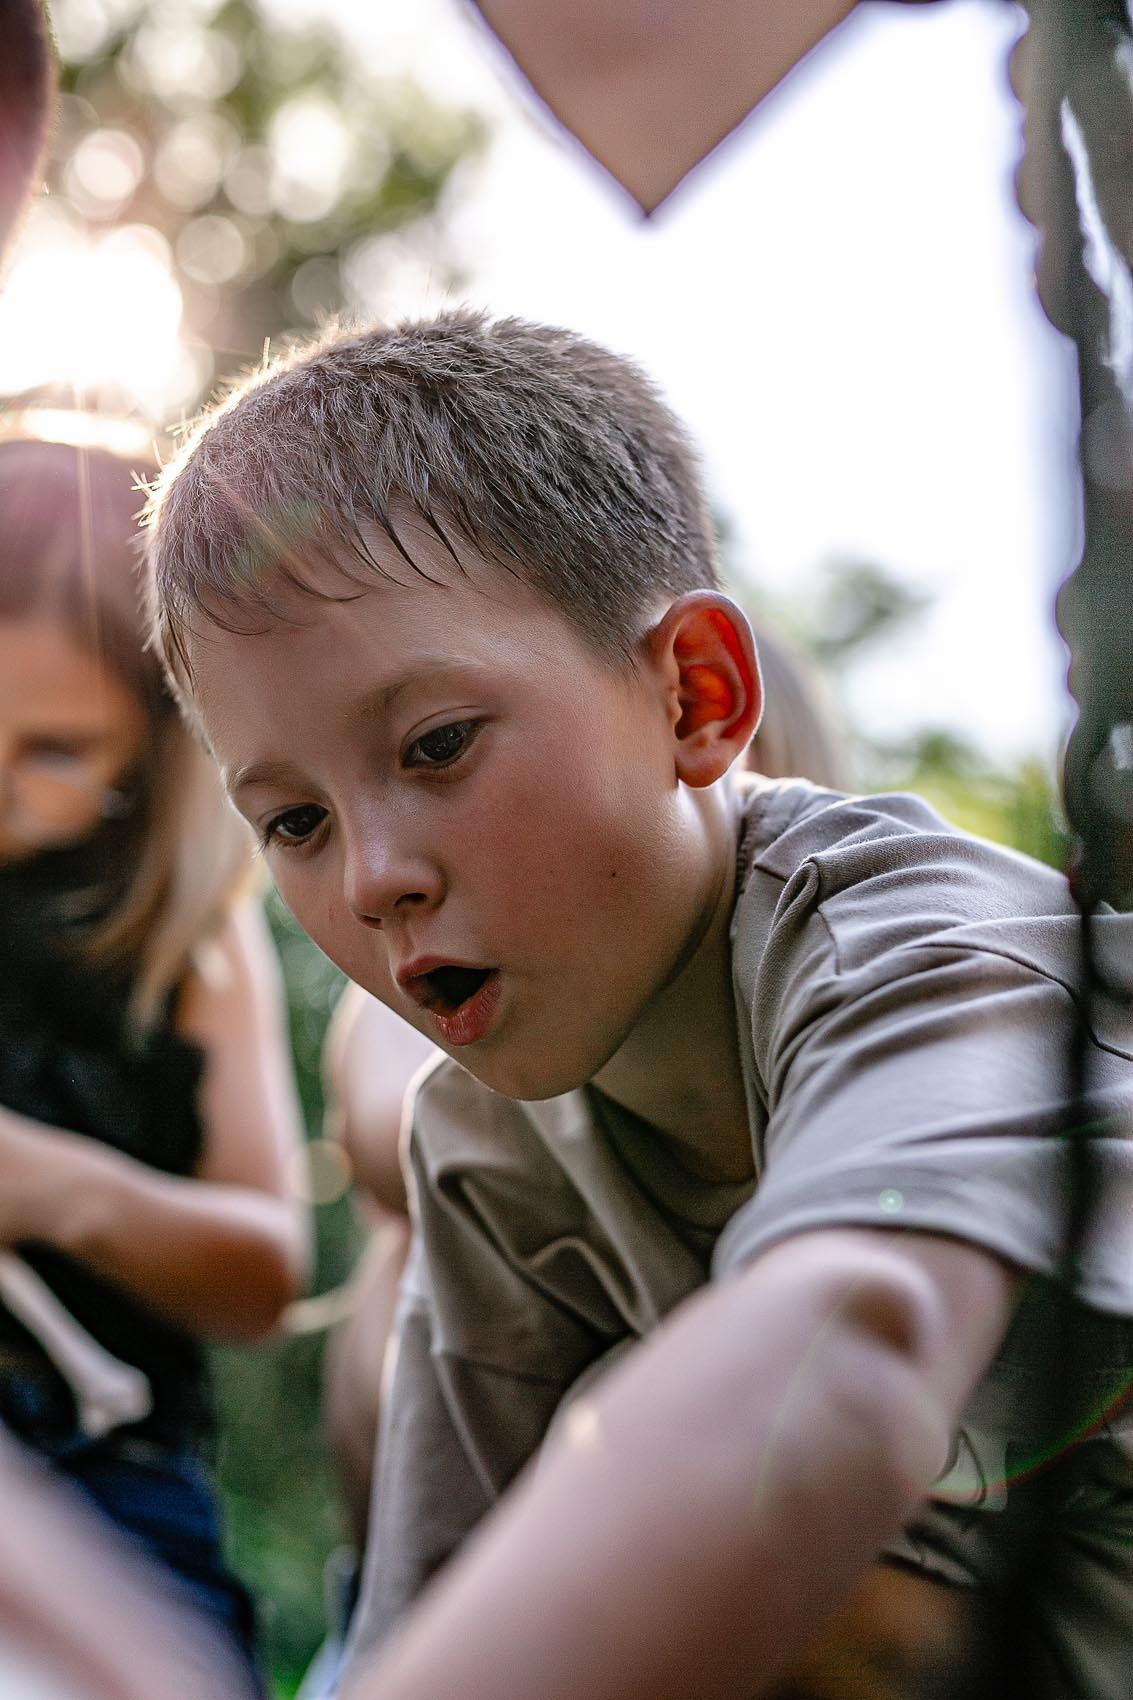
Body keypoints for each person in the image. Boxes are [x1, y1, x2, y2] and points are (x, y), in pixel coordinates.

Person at [144, 311, 1133, 1700]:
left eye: (436, 746)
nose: (372, 879)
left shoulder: (932, 956)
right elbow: (434, 1598)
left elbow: (853, 1336)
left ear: (696, 695)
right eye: (296, 820)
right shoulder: (485, 1139)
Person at [0, 436, 310, 1686]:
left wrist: (56, 1186)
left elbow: (264, 1268)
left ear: (156, 742)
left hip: (102, 1470)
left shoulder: (188, 926)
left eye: (55, 752)